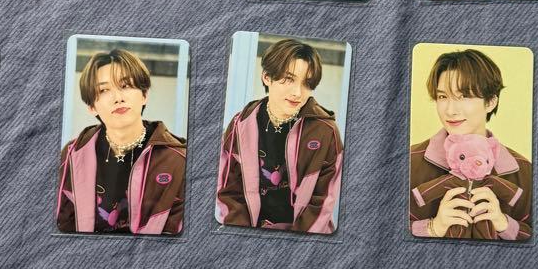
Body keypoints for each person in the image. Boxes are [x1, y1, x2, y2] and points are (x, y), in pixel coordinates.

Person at [216, 38, 342, 233]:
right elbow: (228, 192)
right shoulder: (240, 125)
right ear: (267, 77)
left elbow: (323, 202)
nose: (298, 92)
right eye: (289, 79)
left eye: (307, 83)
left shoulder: (325, 131)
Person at [56, 48, 185, 235]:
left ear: (144, 95)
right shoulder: (72, 155)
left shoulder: (178, 159)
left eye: (125, 86)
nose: (118, 98)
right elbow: (62, 224)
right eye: (104, 90)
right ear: (92, 107)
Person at [409, 49, 532, 241]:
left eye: (464, 96)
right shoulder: (409, 162)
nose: (451, 110)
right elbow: (378, 233)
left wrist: (504, 225)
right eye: (443, 97)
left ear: (490, 102)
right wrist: (432, 228)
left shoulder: (524, 171)